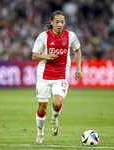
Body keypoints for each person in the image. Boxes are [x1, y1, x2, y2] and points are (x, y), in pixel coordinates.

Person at [32, 10, 82, 143]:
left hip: (61, 74)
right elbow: (34, 55)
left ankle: (54, 118)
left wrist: (78, 68)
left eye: (62, 22)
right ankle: (40, 133)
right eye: (57, 22)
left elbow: (77, 50)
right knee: (42, 107)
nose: (60, 24)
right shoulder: (43, 36)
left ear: (65, 22)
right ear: (52, 22)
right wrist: (45, 56)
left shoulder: (70, 36)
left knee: (56, 102)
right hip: (44, 75)